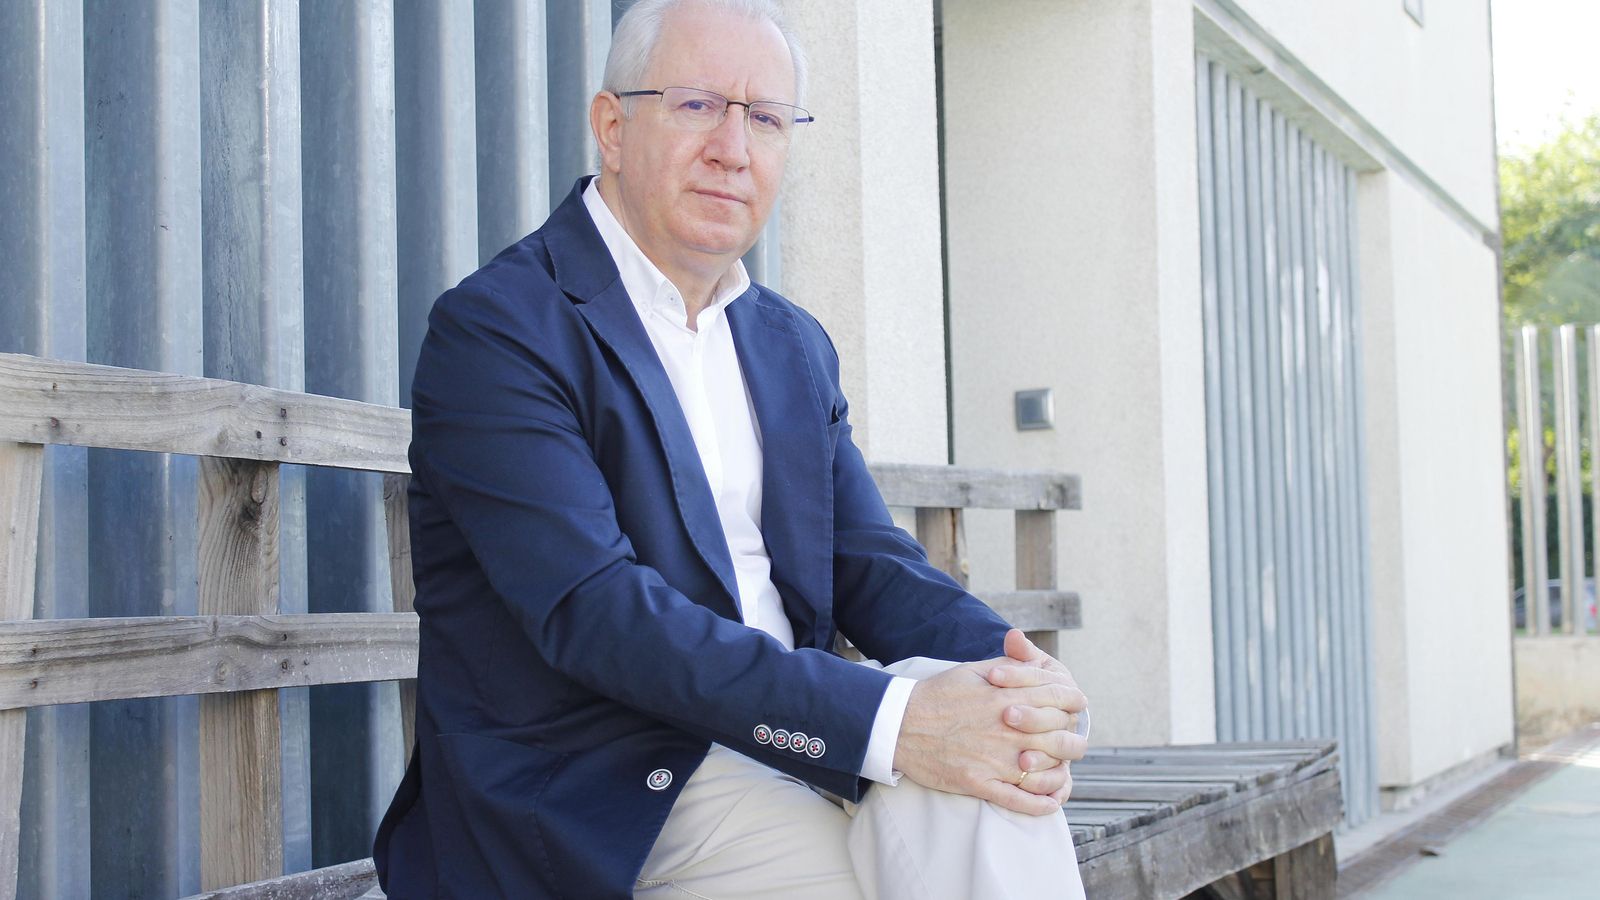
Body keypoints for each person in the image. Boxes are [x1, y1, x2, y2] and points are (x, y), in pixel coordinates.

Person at [373, 1, 1090, 897]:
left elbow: (868, 563)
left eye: (765, 118)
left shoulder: (787, 344)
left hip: (798, 745)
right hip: (610, 798)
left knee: (994, 795)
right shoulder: (500, 331)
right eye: (697, 106)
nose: (733, 147)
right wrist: (894, 720)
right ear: (613, 127)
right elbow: (597, 614)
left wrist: (1021, 679)